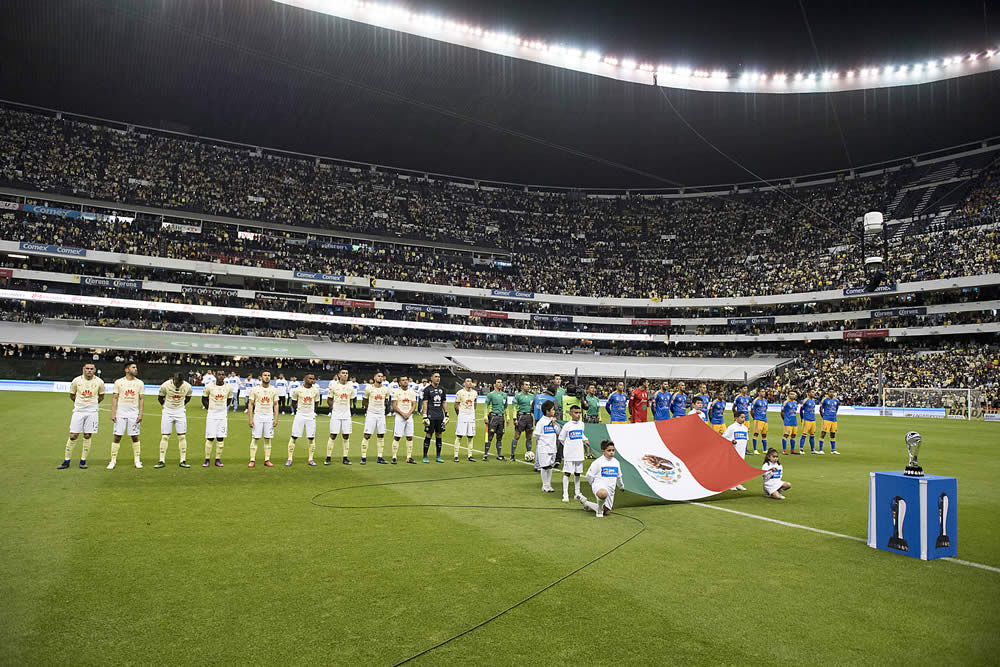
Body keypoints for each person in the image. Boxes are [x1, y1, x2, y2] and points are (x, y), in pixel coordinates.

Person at [58, 362, 105, 469]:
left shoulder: (99, 382)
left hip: (92, 412)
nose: (89, 370)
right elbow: (72, 395)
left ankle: (83, 461)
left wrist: (92, 405)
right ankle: (66, 461)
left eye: (91, 369)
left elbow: (101, 396)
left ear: (95, 370)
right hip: (78, 411)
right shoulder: (76, 381)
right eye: (87, 368)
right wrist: (80, 404)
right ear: (83, 369)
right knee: (73, 435)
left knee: (88, 435)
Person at [109, 362, 144, 470]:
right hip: (121, 413)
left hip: (133, 414)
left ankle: (137, 460)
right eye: (133, 367)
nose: (136, 369)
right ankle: (113, 460)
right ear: (127, 369)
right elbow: (115, 397)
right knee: (117, 436)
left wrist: (140, 413)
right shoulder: (119, 382)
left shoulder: (140, 383)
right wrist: (113, 412)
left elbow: (141, 398)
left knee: (135, 436)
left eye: (136, 367)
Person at [156, 372, 192, 468]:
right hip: (167, 412)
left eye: (180, 382)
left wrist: (180, 406)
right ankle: (161, 460)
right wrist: (166, 406)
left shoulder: (187, 386)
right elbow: (160, 398)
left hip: (180, 412)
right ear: (173, 379)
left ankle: (183, 460)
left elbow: (188, 398)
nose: (178, 384)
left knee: (182, 437)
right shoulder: (165, 385)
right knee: (165, 437)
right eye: (176, 382)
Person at [580, 440, 624, 518]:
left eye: (613, 450)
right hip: (599, 487)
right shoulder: (597, 462)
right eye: (609, 450)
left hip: (611, 490)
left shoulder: (616, 463)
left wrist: (621, 487)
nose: (611, 452)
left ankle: (585, 502)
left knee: (606, 511)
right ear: (603, 451)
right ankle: (599, 511)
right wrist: (593, 484)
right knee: (603, 493)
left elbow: (619, 477)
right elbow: (588, 476)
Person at [558, 404, 589, 502]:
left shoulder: (581, 424)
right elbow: (561, 438)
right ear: (571, 414)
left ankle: (577, 493)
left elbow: (581, 434)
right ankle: (565, 494)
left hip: (579, 453)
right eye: (576, 413)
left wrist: (585, 440)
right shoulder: (567, 426)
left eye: (579, 412)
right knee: (567, 473)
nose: (578, 415)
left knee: (578, 473)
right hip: (569, 454)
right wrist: (569, 446)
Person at [287, 373, 320, 466]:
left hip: (310, 416)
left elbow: (316, 403)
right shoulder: (297, 390)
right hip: (300, 415)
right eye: (310, 378)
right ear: (304, 379)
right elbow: (294, 403)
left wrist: (312, 411)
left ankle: (311, 459)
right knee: (294, 436)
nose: (312, 380)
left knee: (311, 437)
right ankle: (289, 459)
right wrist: (298, 411)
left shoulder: (315, 391)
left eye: (313, 378)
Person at [247, 370, 278, 468]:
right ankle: (252, 460)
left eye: (269, 375)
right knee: (255, 438)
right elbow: (250, 404)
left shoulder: (274, 390)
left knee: (268, 438)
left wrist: (276, 418)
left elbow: (276, 404)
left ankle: (267, 459)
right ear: (261, 377)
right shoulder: (255, 389)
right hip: (258, 416)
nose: (267, 377)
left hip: (269, 416)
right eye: (265, 375)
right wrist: (250, 419)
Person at [326, 368, 356, 465]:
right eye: (343, 373)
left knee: (346, 435)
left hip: (346, 414)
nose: (345, 375)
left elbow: (351, 400)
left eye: (346, 373)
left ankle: (345, 458)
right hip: (336, 414)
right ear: (339, 375)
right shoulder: (334, 386)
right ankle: (328, 457)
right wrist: (333, 408)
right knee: (333, 435)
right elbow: (329, 399)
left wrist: (347, 408)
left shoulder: (351, 387)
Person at [361, 371, 392, 465]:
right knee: (367, 435)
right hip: (371, 414)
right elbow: (365, 400)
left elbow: (386, 401)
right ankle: (363, 457)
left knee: (381, 435)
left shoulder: (386, 389)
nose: (380, 378)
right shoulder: (369, 388)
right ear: (374, 378)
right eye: (378, 376)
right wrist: (370, 409)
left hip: (381, 414)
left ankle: (380, 457)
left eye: (382, 376)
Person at [202, 375, 233, 467]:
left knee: (220, 437)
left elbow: (229, 400)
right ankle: (207, 459)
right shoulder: (209, 387)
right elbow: (203, 399)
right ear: (215, 376)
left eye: (222, 375)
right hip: (212, 415)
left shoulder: (228, 387)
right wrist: (211, 408)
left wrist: (222, 408)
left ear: (224, 376)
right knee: (210, 437)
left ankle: (217, 459)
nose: (220, 376)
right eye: (219, 374)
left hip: (222, 415)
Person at [532, 400, 560, 493]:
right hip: (544, 447)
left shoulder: (554, 421)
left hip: (553, 447)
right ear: (547, 411)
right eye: (552, 410)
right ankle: (545, 486)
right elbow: (536, 434)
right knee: (545, 466)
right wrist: (543, 441)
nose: (554, 411)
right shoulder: (541, 422)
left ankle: (549, 485)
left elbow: (558, 432)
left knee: (550, 466)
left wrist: (553, 425)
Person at [420, 371, 447, 463]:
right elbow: (425, 402)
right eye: (436, 376)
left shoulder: (442, 389)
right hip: (430, 416)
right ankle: (425, 456)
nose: (438, 378)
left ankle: (438, 456)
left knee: (439, 435)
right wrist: (425, 415)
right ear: (431, 378)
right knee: (428, 435)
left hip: (439, 416)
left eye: (439, 377)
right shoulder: (427, 390)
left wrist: (446, 413)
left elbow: (444, 401)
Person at [391, 376, 418, 464]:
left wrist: (409, 413)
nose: (405, 382)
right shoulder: (396, 392)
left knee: (409, 437)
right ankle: (394, 457)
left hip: (409, 416)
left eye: (406, 380)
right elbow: (394, 405)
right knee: (397, 436)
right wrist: (403, 414)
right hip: (399, 416)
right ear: (399, 383)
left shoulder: (412, 392)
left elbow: (414, 404)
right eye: (403, 380)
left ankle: (409, 457)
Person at [722, 412, 750, 490]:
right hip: (734, 451)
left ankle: (738, 483)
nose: (743, 419)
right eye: (741, 417)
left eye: (744, 417)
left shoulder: (745, 428)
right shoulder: (732, 427)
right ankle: (731, 484)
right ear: (736, 418)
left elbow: (745, 440)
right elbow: (724, 437)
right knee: (733, 467)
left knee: (740, 468)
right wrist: (731, 440)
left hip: (742, 451)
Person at [484, 378, 509, 461]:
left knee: (500, 436)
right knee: (490, 435)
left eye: (501, 382)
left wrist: (507, 417)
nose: (500, 384)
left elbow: (506, 407)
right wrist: (485, 416)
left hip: (501, 418)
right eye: (498, 382)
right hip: (493, 417)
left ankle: (499, 455)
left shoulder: (504, 395)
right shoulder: (491, 394)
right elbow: (486, 405)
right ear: (495, 384)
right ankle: (485, 454)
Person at [454, 378, 478, 462]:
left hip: (471, 416)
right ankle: (456, 455)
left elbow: (475, 403)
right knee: (459, 435)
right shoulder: (460, 393)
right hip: (462, 415)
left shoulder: (475, 393)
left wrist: (472, 412)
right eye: (467, 381)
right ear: (464, 383)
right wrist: (460, 414)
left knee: (470, 436)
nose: (469, 383)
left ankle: (470, 455)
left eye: (471, 381)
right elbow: (456, 405)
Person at [510, 379, 535, 460]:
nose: (528, 386)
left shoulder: (532, 396)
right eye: (526, 385)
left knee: (529, 436)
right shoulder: (518, 396)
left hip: (529, 417)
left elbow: (534, 408)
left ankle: (529, 453)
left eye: (529, 385)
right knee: (517, 436)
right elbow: (514, 407)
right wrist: (514, 418)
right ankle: (512, 455)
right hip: (521, 417)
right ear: (522, 386)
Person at [819, 389, 841, 454]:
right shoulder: (824, 400)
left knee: (833, 434)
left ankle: (833, 450)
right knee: (823, 433)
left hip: (833, 419)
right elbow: (820, 409)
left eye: (833, 392)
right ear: (828, 393)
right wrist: (823, 417)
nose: (831, 393)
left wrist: (833, 415)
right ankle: (820, 449)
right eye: (830, 392)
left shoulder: (836, 401)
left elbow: (836, 409)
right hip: (826, 419)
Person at [751, 388, 770, 455]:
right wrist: (755, 418)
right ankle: (755, 449)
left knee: (764, 434)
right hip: (758, 419)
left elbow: (765, 409)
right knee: (756, 434)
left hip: (764, 420)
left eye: (764, 391)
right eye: (762, 391)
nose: (763, 393)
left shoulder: (765, 401)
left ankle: (765, 450)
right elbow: (752, 411)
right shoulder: (755, 401)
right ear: (758, 393)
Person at [799, 390, 818, 454]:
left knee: (812, 435)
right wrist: (802, 418)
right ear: (809, 393)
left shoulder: (813, 401)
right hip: (806, 419)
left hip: (813, 420)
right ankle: (801, 449)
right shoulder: (805, 400)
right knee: (804, 435)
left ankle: (812, 449)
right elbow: (801, 410)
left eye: (814, 392)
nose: (814, 393)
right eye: (812, 392)